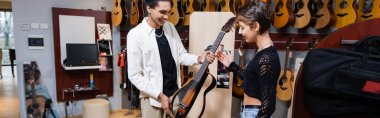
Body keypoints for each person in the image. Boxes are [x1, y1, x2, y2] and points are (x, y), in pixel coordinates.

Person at [126, 0, 215, 117]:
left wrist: (199, 58)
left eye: (169, 12)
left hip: (174, 95)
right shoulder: (135, 35)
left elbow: (180, 55)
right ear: (149, 9)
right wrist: (160, 95)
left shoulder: (170, 27)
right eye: (162, 12)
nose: (166, 17)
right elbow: (134, 75)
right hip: (152, 100)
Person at [217, 2, 281, 118]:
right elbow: (250, 78)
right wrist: (231, 65)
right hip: (249, 111)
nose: (240, 32)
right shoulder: (261, 51)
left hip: (254, 113)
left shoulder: (267, 59)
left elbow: (268, 106)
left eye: (242, 28)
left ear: (256, 26)